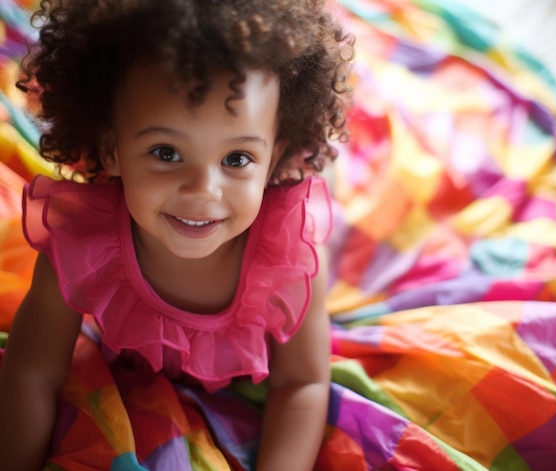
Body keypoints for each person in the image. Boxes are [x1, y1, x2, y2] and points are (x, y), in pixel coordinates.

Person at [0, 0, 354, 469]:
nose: (201, 191)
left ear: (273, 157)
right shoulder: (81, 243)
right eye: (166, 152)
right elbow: (32, 372)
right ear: (110, 149)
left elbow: (302, 385)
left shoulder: (290, 255)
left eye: (237, 159)